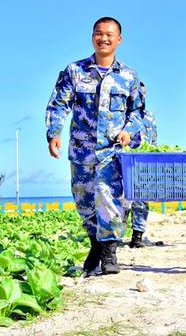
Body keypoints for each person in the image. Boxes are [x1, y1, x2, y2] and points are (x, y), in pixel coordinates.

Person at [46, 16, 143, 276]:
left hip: (112, 152)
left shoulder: (128, 76)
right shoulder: (74, 71)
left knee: (110, 201)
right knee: (85, 202)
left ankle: (110, 252)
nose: (104, 38)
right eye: (99, 34)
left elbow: (137, 113)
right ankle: (95, 244)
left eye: (109, 34)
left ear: (119, 40)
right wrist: (53, 132)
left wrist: (127, 131)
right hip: (81, 150)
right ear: (92, 37)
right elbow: (59, 104)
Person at [124, 81, 157, 248]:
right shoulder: (121, 116)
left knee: (142, 200)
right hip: (124, 163)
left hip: (144, 165)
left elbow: (153, 141)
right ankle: (116, 236)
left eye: (142, 95)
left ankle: (137, 236)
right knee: (121, 201)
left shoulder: (149, 117)